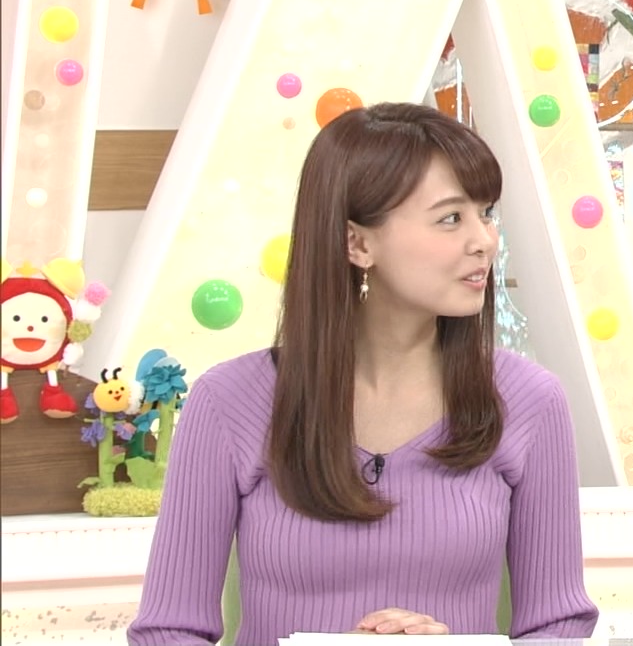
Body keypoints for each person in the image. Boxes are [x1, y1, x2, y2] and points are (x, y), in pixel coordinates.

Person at [130, 103, 598, 644]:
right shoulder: (228, 401)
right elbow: (168, 631)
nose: (485, 240)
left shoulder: (530, 400)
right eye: (451, 218)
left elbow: (558, 627)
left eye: (485, 212)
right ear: (357, 243)